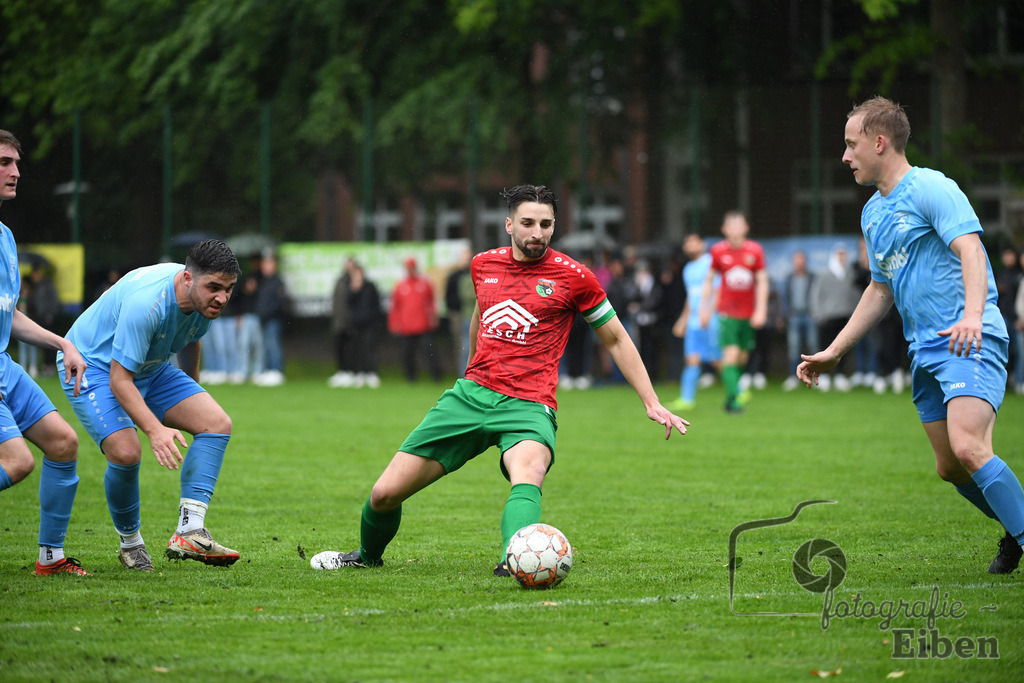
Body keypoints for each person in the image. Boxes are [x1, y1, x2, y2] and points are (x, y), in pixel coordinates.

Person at [310, 184, 689, 574]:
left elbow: (616, 338)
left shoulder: (575, 277)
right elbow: (480, 316)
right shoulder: (483, 265)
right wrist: (470, 371)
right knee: (385, 493)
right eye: (527, 222)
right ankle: (366, 558)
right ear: (509, 225)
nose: (536, 232)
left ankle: (518, 558)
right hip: (471, 396)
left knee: (530, 471)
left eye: (545, 224)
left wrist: (651, 401)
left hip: (529, 404)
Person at [797, 96, 1024, 574]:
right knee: (950, 467)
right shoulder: (872, 215)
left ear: (879, 143)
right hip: (924, 350)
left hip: (968, 338)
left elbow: (970, 250)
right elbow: (881, 291)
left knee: (969, 445)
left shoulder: (932, 188)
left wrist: (973, 315)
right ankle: (1015, 524)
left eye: (850, 144)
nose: (844, 156)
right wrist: (835, 350)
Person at [61, 239, 242, 571]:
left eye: (229, 289)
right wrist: (155, 429)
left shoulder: (206, 301)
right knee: (127, 452)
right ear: (188, 279)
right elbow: (119, 380)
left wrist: (193, 391)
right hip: (93, 367)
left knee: (216, 422)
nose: (222, 297)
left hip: (150, 366)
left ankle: (190, 531)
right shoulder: (148, 305)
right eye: (214, 287)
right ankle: (131, 544)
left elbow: (192, 337)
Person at [0, 129, 90, 576]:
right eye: (3, 162)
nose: (15, 171)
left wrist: (62, 341)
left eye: (15, 162)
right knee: (17, 463)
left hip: (4, 366)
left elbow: (9, 316)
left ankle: (50, 559)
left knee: (63, 443)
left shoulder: (6, 239)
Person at [699, 211, 768, 413]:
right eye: (731, 225)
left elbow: (762, 281)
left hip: (748, 313)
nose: (736, 228)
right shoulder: (718, 251)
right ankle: (735, 401)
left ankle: (730, 396)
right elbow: (709, 280)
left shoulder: (755, 250)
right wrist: (703, 309)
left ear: (746, 228)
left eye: (739, 224)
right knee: (731, 355)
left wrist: (761, 310)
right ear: (724, 230)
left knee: (742, 358)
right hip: (727, 312)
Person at [671, 233, 721, 409]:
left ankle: (737, 391)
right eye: (687, 242)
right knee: (692, 359)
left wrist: (708, 313)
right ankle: (687, 399)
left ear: (703, 244)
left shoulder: (711, 262)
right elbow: (691, 298)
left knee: (717, 360)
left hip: (711, 320)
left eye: (694, 241)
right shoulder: (688, 269)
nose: (690, 245)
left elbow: (717, 290)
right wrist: (682, 320)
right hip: (693, 322)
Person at [809, 244, 860, 392]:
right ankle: (823, 376)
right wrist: (818, 315)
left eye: (844, 254)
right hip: (827, 317)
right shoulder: (825, 274)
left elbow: (855, 296)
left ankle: (840, 376)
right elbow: (816, 295)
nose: (842, 258)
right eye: (839, 254)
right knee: (824, 347)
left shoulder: (850, 274)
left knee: (843, 348)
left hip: (845, 316)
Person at [388, 256, 441, 382]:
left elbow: (431, 302)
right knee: (407, 353)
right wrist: (394, 323)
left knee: (429, 351)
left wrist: (433, 317)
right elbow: (395, 307)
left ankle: (436, 375)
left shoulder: (424, 283)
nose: (410, 270)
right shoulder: (400, 285)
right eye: (408, 268)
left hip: (423, 325)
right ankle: (410, 376)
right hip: (406, 326)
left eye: (412, 267)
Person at [780, 250, 817, 391]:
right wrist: (787, 314)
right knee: (793, 348)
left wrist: (815, 311)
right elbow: (785, 297)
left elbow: (816, 295)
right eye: (796, 260)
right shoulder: (789, 278)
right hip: (794, 316)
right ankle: (793, 377)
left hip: (809, 316)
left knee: (813, 346)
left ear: (805, 261)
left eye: (801, 259)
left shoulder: (812, 277)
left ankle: (815, 376)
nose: (799, 262)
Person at [346, 261, 383, 388]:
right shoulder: (351, 287)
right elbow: (348, 303)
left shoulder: (370, 286)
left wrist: (375, 318)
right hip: (356, 323)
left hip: (370, 323)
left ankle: (371, 372)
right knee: (357, 348)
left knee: (369, 348)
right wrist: (354, 290)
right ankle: (360, 373)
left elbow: (376, 304)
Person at [254, 251, 288, 386]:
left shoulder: (277, 282)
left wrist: (267, 314)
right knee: (265, 346)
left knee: (273, 345)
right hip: (263, 319)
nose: (266, 267)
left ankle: (277, 370)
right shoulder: (262, 281)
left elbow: (278, 303)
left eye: (269, 264)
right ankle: (268, 370)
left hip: (273, 319)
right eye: (265, 264)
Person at [328, 258, 354, 387]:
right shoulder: (340, 281)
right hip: (340, 322)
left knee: (351, 349)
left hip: (352, 322)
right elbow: (336, 302)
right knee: (339, 348)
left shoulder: (356, 281)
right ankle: (341, 372)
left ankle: (351, 372)